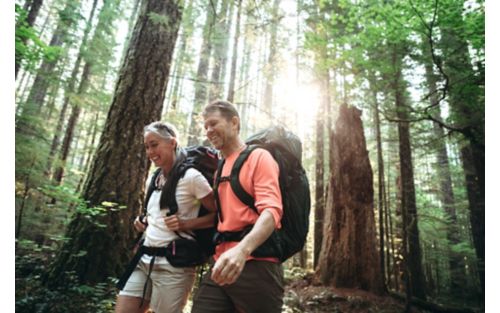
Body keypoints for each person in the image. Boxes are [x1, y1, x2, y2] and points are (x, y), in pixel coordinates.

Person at [191, 100, 284, 313]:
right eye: (205, 126)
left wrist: (242, 250)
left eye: (213, 123)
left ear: (234, 123)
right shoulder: (220, 167)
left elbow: (272, 210)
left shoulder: (259, 157)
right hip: (221, 261)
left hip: (257, 264)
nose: (209, 131)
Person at [115, 121, 216, 313]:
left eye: (154, 145)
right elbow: (156, 215)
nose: (150, 152)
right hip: (143, 259)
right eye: (146, 147)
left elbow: (218, 215)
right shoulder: (156, 178)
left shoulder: (192, 177)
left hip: (174, 266)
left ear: (172, 143)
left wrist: (187, 223)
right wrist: (143, 221)